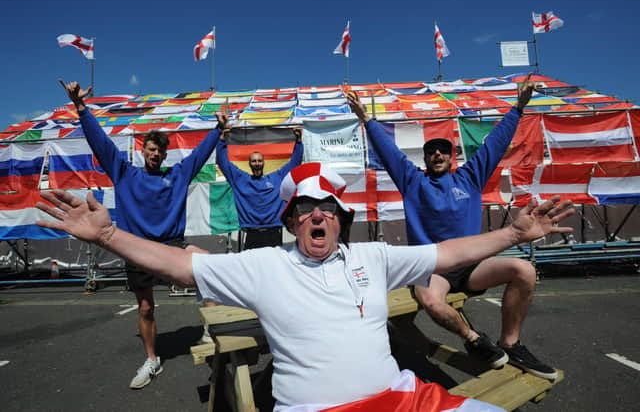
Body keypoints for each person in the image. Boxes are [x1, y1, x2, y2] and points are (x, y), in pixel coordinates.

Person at [36, 162, 574, 411]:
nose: (318, 218)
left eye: (328, 210)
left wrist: (510, 232)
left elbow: (449, 253)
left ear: (341, 219)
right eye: (305, 210)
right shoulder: (264, 264)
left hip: (407, 401)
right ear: (292, 222)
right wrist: (108, 234)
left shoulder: (374, 257)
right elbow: (180, 266)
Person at [347, 77, 560, 380]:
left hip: (472, 267)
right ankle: (473, 339)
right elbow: (390, 153)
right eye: (431, 151)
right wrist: (366, 120)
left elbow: (494, 145)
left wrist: (519, 107)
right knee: (432, 301)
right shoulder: (413, 182)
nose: (437, 154)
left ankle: (510, 343)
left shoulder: (470, 178)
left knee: (524, 270)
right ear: (425, 158)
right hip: (433, 269)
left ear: (452, 157)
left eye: (443, 151)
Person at [59, 80, 225, 389]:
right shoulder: (124, 173)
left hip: (172, 245)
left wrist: (217, 130)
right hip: (136, 248)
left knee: (209, 271)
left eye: (160, 151)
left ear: (164, 155)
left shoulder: (177, 174)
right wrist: (81, 108)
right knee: (146, 307)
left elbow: (200, 154)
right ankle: (152, 360)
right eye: (151, 149)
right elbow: (101, 144)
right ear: (143, 150)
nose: (155, 154)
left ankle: (211, 335)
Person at [216, 124, 303, 250]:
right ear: (249, 164)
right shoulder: (240, 179)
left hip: (274, 232)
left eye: (259, 161)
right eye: (254, 161)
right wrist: (222, 140)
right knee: (252, 269)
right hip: (251, 233)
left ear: (264, 163)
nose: (257, 163)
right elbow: (222, 162)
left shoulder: (277, 178)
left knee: (274, 268)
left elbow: (294, 163)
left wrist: (298, 142)